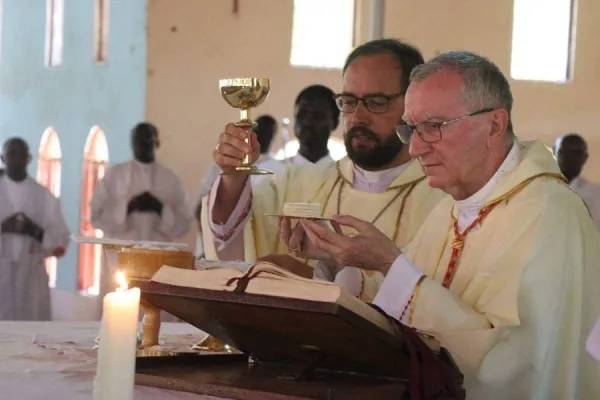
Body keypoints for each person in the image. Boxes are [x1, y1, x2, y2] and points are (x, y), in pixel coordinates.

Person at [297, 51, 600, 398]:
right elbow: (403, 297)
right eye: (410, 128)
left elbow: (508, 367)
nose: (414, 148)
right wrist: (344, 259)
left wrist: (389, 264)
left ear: (494, 125)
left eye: (433, 127)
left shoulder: (550, 216)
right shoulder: (452, 207)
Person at [201, 39, 446, 302]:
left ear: (413, 107)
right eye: (349, 101)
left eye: (377, 102)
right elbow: (234, 239)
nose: (358, 117)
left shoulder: (443, 201)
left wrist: (313, 281)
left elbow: (434, 306)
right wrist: (234, 175)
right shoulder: (300, 182)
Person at [90, 123, 194, 316]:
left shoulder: (170, 179)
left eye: (147, 141)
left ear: (157, 143)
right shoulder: (114, 176)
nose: (141, 146)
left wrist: (160, 209)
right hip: (120, 260)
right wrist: (127, 207)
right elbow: (96, 215)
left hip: (157, 261)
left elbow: (185, 221)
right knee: (118, 318)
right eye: (137, 141)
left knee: (153, 315)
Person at [0, 137, 70, 320]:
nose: (16, 159)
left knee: (30, 335)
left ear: (29, 158)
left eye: (21, 154)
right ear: (2, 158)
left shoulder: (44, 196)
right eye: (11, 154)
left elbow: (61, 240)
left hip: (30, 276)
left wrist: (34, 231)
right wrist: (3, 227)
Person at [195, 115, 281, 258]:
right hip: (215, 244)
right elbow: (201, 206)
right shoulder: (226, 161)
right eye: (261, 130)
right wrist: (209, 243)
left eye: (269, 132)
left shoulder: (277, 168)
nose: (265, 136)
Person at [282, 84, 340, 166]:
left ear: (335, 123)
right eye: (301, 114)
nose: (307, 122)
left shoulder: (344, 176)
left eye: (318, 116)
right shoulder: (272, 173)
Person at [553, 133, 600, 230]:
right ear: (554, 153)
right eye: (564, 152)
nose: (569, 157)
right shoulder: (539, 188)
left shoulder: (595, 195)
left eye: (576, 153)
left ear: (585, 157)